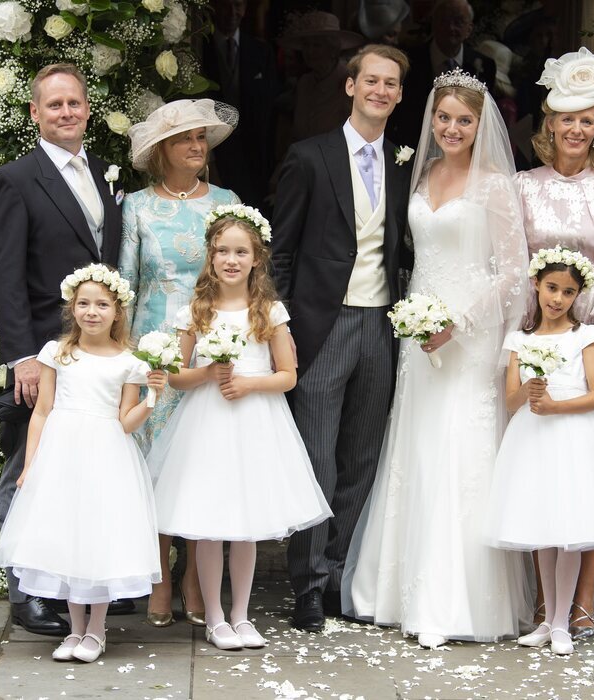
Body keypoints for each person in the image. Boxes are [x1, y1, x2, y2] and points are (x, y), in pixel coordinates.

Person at [342, 68, 532, 648]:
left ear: (481, 125)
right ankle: (398, 590)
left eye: (464, 120)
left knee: (459, 451)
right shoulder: (420, 174)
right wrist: (421, 322)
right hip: (417, 339)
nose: (451, 128)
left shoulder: (497, 185)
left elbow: (514, 272)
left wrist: (460, 322)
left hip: (467, 341)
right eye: (443, 117)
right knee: (416, 447)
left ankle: (454, 603)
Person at [271, 44, 412, 633]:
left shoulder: (408, 164)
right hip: (322, 326)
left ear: (400, 95)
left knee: (363, 459)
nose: (380, 91)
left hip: (383, 325)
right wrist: (278, 326)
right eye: (370, 80)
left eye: (391, 84)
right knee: (317, 459)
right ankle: (305, 583)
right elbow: (279, 252)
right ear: (350, 86)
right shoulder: (309, 158)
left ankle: (337, 576)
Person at [146, 207, 331, 651]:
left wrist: (248, 383)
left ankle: (242, 615)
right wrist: (208, 374)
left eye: (241, 252)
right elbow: (175, 375)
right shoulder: (198, 310)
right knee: (210, 523)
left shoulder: (268, 311)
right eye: (222, 251)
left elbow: (287, 375)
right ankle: (214, 617)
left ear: (256, 259)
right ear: (210, 257)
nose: (231, 259)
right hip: (206, 423)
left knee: (246, 523)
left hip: (255, 422)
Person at [0, 63, 127, 636]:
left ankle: (83, 586)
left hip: (98, 350)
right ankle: (27, 593)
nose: (65, 113)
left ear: (87, 109)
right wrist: (22, 355)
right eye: (54, 105)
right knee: (30, 466)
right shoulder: (17, 179)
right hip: (44, 352)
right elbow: (4, 273)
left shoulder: (102, 173)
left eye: (74, 103)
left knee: (85, 469)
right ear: (34, 114)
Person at [514, 47, 594, 640]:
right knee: (541, 471)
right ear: (551, 124)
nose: (577, 129)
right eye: (567, 117)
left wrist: (590, 336)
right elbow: (512, 266)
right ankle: (545, 600)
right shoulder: (522, 186)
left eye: (588, 119)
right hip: (538, 340)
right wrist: (535, 337)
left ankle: (584, 597)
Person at [0, 266, 164, 664]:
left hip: (106, 454)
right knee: (68, 535)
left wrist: (151, 397)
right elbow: (42, 412)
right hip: (61, 453)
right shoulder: (57, 353)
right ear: (72, 308)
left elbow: (125, 423)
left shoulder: (129, 362)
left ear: (117, 311)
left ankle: (96, 630)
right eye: (83, 303)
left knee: (97, 535)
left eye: (102, 304)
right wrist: (30, 463)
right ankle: (74, 629)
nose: (92, 312)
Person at [485, 248, 594, 655]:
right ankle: (546, 620)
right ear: (537, 286)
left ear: (578, 296)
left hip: (575, 435)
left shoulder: (587, 336)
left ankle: (562, 623)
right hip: (534, 438)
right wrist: (530, 390)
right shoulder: (520, 340)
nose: (557, 299)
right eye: (551, 288)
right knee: (544, 527)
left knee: (571, 529)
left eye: (568, 292)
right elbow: (510, 400)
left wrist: (556, 405)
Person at [120, 98, 240, 629]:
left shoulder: (227, 201)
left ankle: (196, 576)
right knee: (152, 461)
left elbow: (239, 273)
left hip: (208, 339)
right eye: (184, 139)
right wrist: (124, 353)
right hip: (151, 342)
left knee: (198, 459)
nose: (197, 147)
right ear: (161, 151)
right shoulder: (138, 207)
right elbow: (125, 280)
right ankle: (159, 576)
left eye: (201, 139)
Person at [201, 0, 277, 210]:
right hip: (215, 152)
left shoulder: (261, 51)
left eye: (238, 5)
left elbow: (270, 111)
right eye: (225, 5)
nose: (232, 12)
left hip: (254, 154)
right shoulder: (199, 49)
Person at [388, 0, 496, 147]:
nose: (451, 28)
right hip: (413, 148)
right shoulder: (408, 61)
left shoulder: (484, 65)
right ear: (433, 24)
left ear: (469, 29)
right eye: (444, 20)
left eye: (458, 22)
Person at [280, 11, 365, 143]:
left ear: (333, 49)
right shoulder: (304, 82)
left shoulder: (350, 83)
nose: (309, 51)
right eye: (306, 45)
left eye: (316, 45)